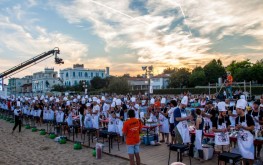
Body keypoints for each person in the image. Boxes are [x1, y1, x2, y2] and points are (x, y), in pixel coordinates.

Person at [235, 99, 255, 165]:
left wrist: (242, 127)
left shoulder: (249, 117)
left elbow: (252, 127)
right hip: (241, 140)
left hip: (248, 140)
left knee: (250, 156)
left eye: (237, 109)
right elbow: (237, 129)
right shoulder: (237, 118)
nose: (236, 110)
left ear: (241, 109)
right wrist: (236, 128)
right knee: (242, 155)